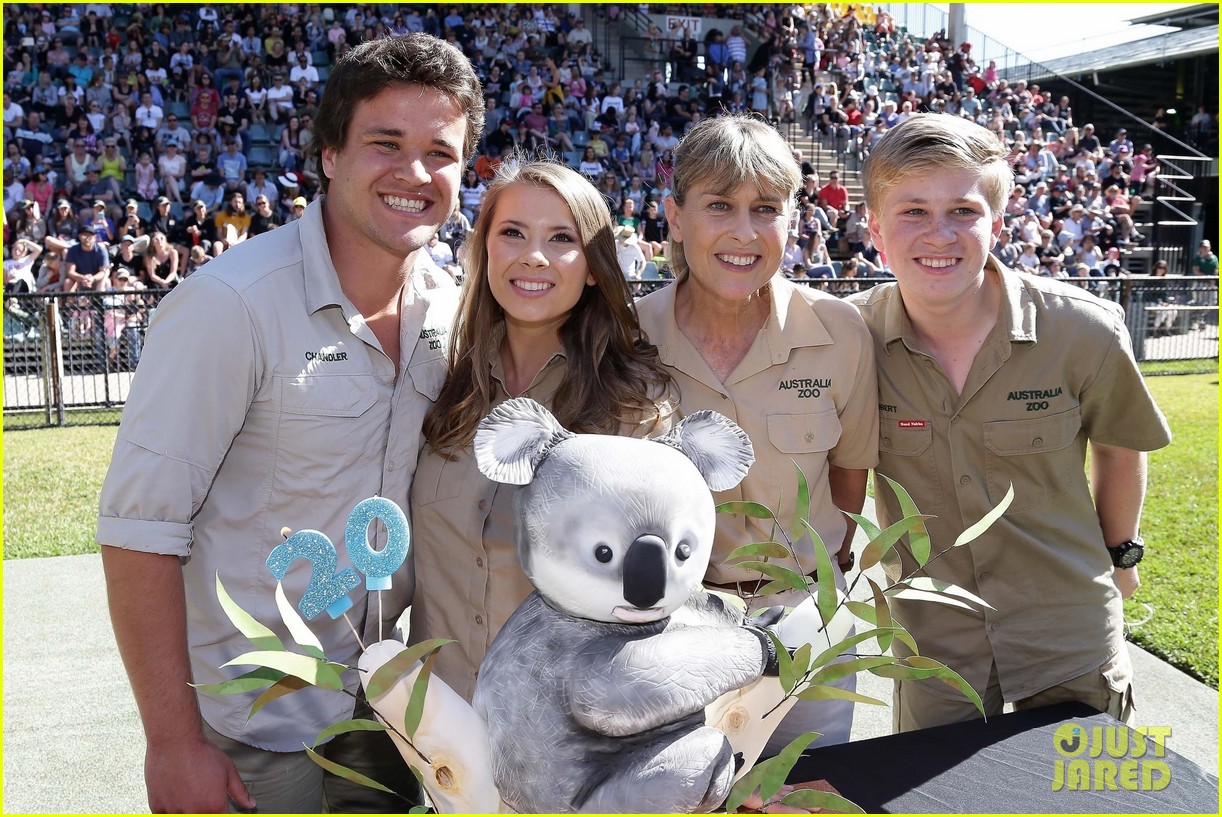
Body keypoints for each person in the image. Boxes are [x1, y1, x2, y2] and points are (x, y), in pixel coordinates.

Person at [96, 33, 486, 813]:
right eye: (385, 144)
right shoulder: (231, 303)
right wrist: (173, 743)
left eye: (439, 152)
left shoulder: (454, 309)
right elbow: (139, 529)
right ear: (329, 155)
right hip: (249, 727)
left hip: (381, 716)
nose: (415, 174)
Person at [847, 114, 1171, 733]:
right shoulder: (847, 338)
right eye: (912, 210)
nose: (938, 234)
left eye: (963, 211)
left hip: (1066, 628)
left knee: (1084, 798)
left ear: (997, 220)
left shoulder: (1084, 330)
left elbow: (1121, 447)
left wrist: (1121, 555)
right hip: (933, 641)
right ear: (875, 227)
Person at [635, 115, 879, 755]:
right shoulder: (625, 338)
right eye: (719, 206)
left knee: (810, 792)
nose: (743, 233)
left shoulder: (840, 332)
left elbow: (850, 478)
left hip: (804, 622)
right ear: (675, 215)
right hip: (664, 632)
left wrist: (817, 577)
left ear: (793, 220)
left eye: (765, 209)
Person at [409, 158, 675, 703]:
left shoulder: (635, 405)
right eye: (512, 233)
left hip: (559, 742)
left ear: (595, 266)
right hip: (432, 725)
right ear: (484, 250)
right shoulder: (436, 376)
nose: (534, 256)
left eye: (561, 238)